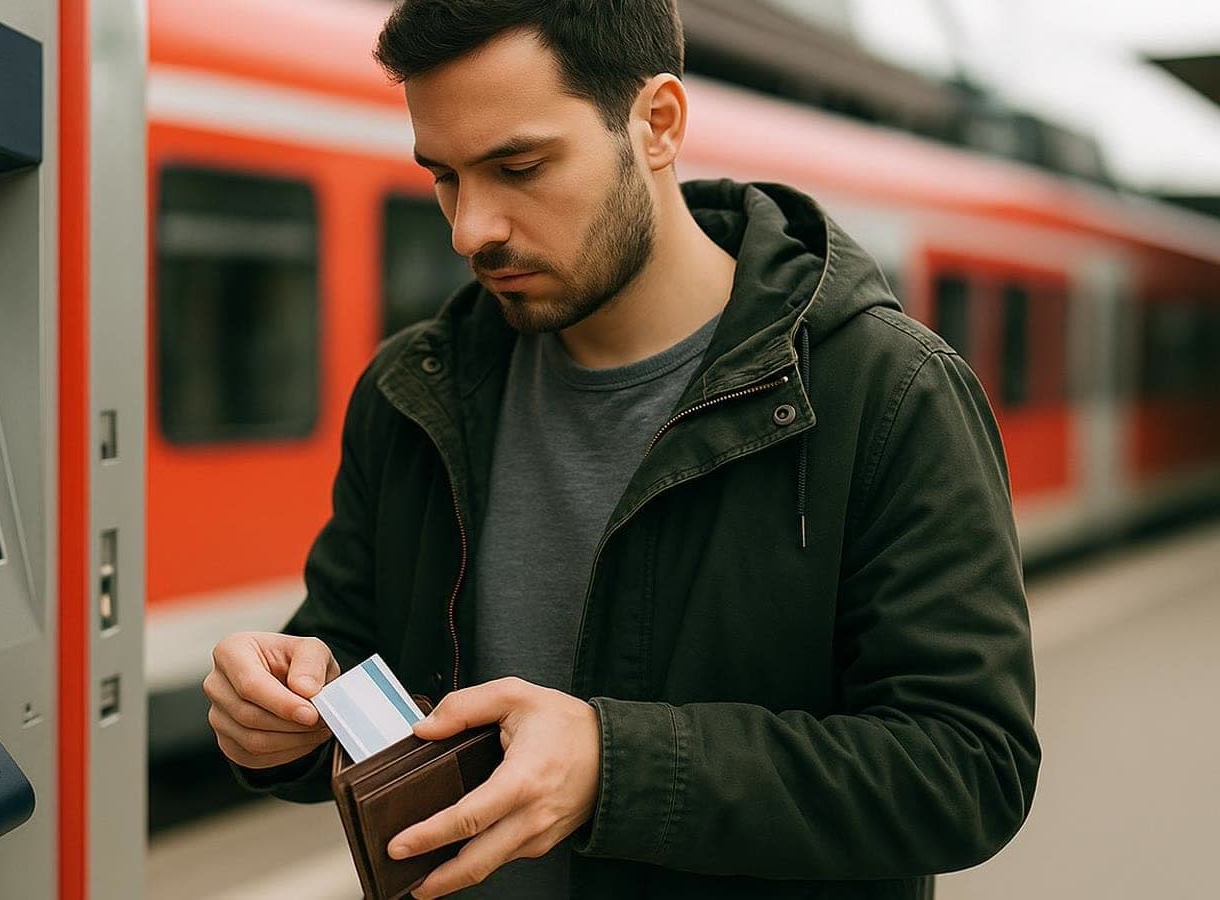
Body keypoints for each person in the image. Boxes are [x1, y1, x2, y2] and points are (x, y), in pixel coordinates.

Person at [203, 1, 1040, 897]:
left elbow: (969, 768)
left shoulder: (887, 392)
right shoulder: (411, 390)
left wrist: (617, 767)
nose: (469, 229)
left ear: (658, 124)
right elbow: (348, 650)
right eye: (443, 176)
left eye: (518, 167)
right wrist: (282, 709)